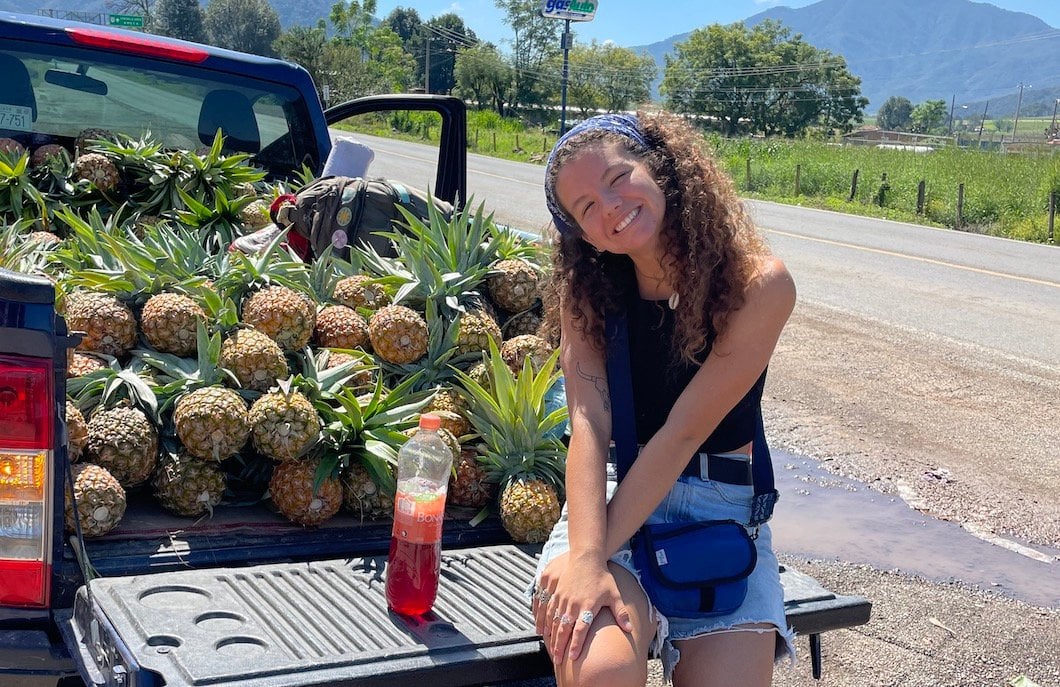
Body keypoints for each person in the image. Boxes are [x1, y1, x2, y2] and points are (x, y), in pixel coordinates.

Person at [531, 111, 797, 687]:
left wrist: (591, 558)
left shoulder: (758, 286)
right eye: (585, 208)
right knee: (603, 675)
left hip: (719, 506)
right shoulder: (589, 292)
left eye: (617, 178)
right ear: (579, 231)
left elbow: (682, 433)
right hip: (608, 500)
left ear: (662, 167)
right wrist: (587, 557)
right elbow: (589, 425)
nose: (609, 208)